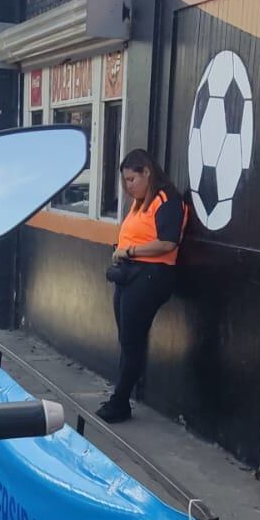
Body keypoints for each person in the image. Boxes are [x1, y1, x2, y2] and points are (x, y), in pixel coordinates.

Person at [96, 148, 187, 424]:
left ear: (147, 172)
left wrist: (130, 251)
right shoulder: (141, 203)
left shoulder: (167, 199)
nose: (127, 186)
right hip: (131, 276)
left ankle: (120, 402)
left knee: (132, 342)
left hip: (150, 277)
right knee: (127, 340)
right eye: (125, 181)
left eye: (131, 179)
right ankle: (120, 397)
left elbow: (168, 242)